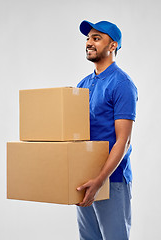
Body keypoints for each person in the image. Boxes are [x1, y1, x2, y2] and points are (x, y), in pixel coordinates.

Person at [76, 20, 138, 240]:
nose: (89, 43)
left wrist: (100, 180)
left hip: (112, 180)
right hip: (84, 179)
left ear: (113, 46)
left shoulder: (122, 84)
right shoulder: (83, 84)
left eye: (96, 38)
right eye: (87, 38)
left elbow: (124, 141)